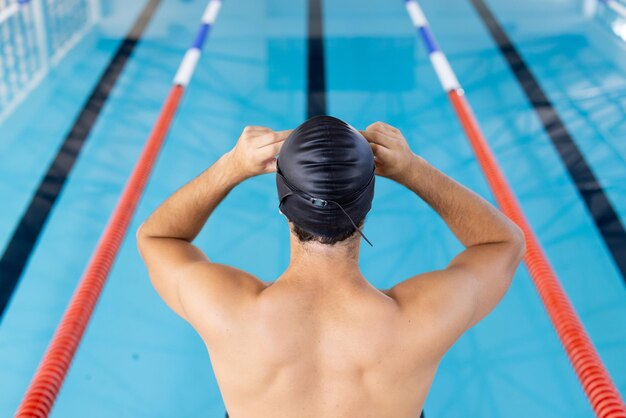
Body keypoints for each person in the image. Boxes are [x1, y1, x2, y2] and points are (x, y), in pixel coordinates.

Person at [137, 116, 526, 418]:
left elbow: (157, 238)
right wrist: (414, 169)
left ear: (283, 203)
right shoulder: (422, 318)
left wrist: (232, 166)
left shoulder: (228, 310)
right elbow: (502, 243)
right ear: (369, 203)